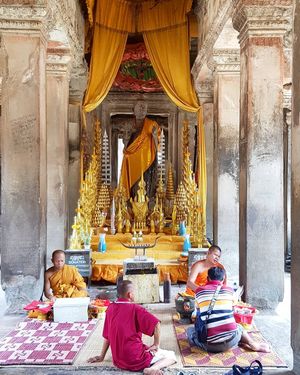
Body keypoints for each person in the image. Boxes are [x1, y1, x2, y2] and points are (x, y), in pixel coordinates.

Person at [88, 280, 176, 375]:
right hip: (135, 359)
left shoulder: (110, 308)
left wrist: (102, 356)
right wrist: (156, 344)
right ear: (130, 295)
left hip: (118, 361)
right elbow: (156, 324)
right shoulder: (136, 309)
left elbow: (108, 336)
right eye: (134, 292)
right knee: (171, 355)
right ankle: (152, 368)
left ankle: (148, 364)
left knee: (144, 348)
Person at [187, 267, 270, 353]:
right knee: (239, 327)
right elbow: (232, 310)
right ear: (223, 279)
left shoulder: (199, 291)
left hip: (209, 346)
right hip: (231, 340)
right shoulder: (229, 290)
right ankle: (251, 342)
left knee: (190, 331)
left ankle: (226, 341)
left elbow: (198, 313)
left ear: (208, 278)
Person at [120, 100, 161, 200]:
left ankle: (146, 203)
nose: (142, 110)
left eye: (144, 108)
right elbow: (126, 147)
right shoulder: (129, 125)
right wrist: (127, 137)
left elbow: (158, 146)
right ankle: (132, 202)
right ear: (133, 110)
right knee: (135, 186)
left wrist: (155, 136)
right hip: (133, 160)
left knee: (146, 183)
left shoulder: (152, 125)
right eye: (139, 107)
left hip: (148, 161)